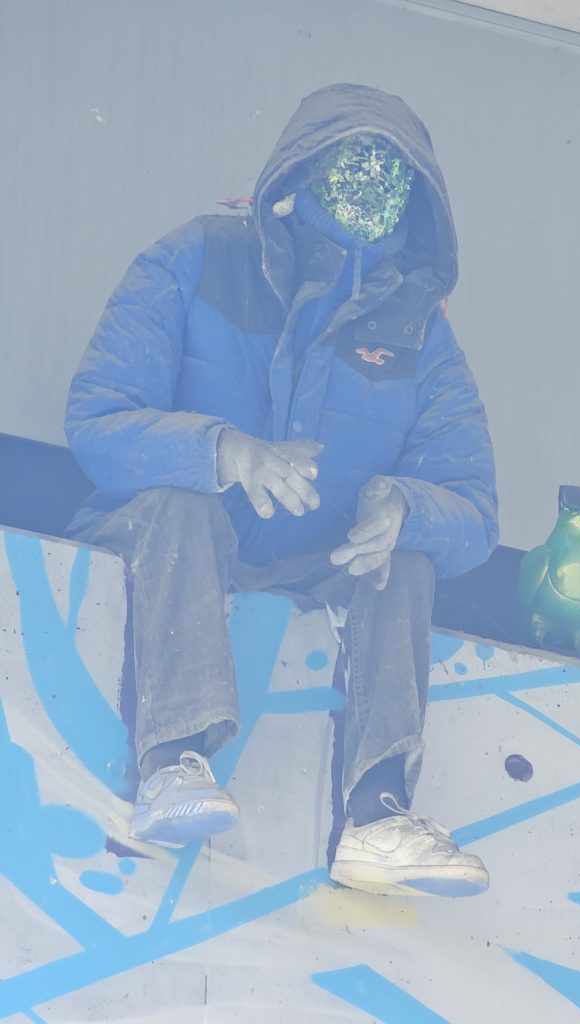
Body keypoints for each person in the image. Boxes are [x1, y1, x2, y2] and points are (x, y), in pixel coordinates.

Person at [64, 82, 498, 898]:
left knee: (403, 556)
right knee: (186, 502)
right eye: (354, 159)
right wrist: (222, 452)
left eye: (392, 170)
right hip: (158, 539)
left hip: (305, 568)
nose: (371, 182)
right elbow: (95, 421)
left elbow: (473, 508)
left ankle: (377, 815)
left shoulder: (422, 332)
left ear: (420, 196)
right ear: (304, 163)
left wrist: (404, 509)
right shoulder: (199, 256)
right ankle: (171, 762)